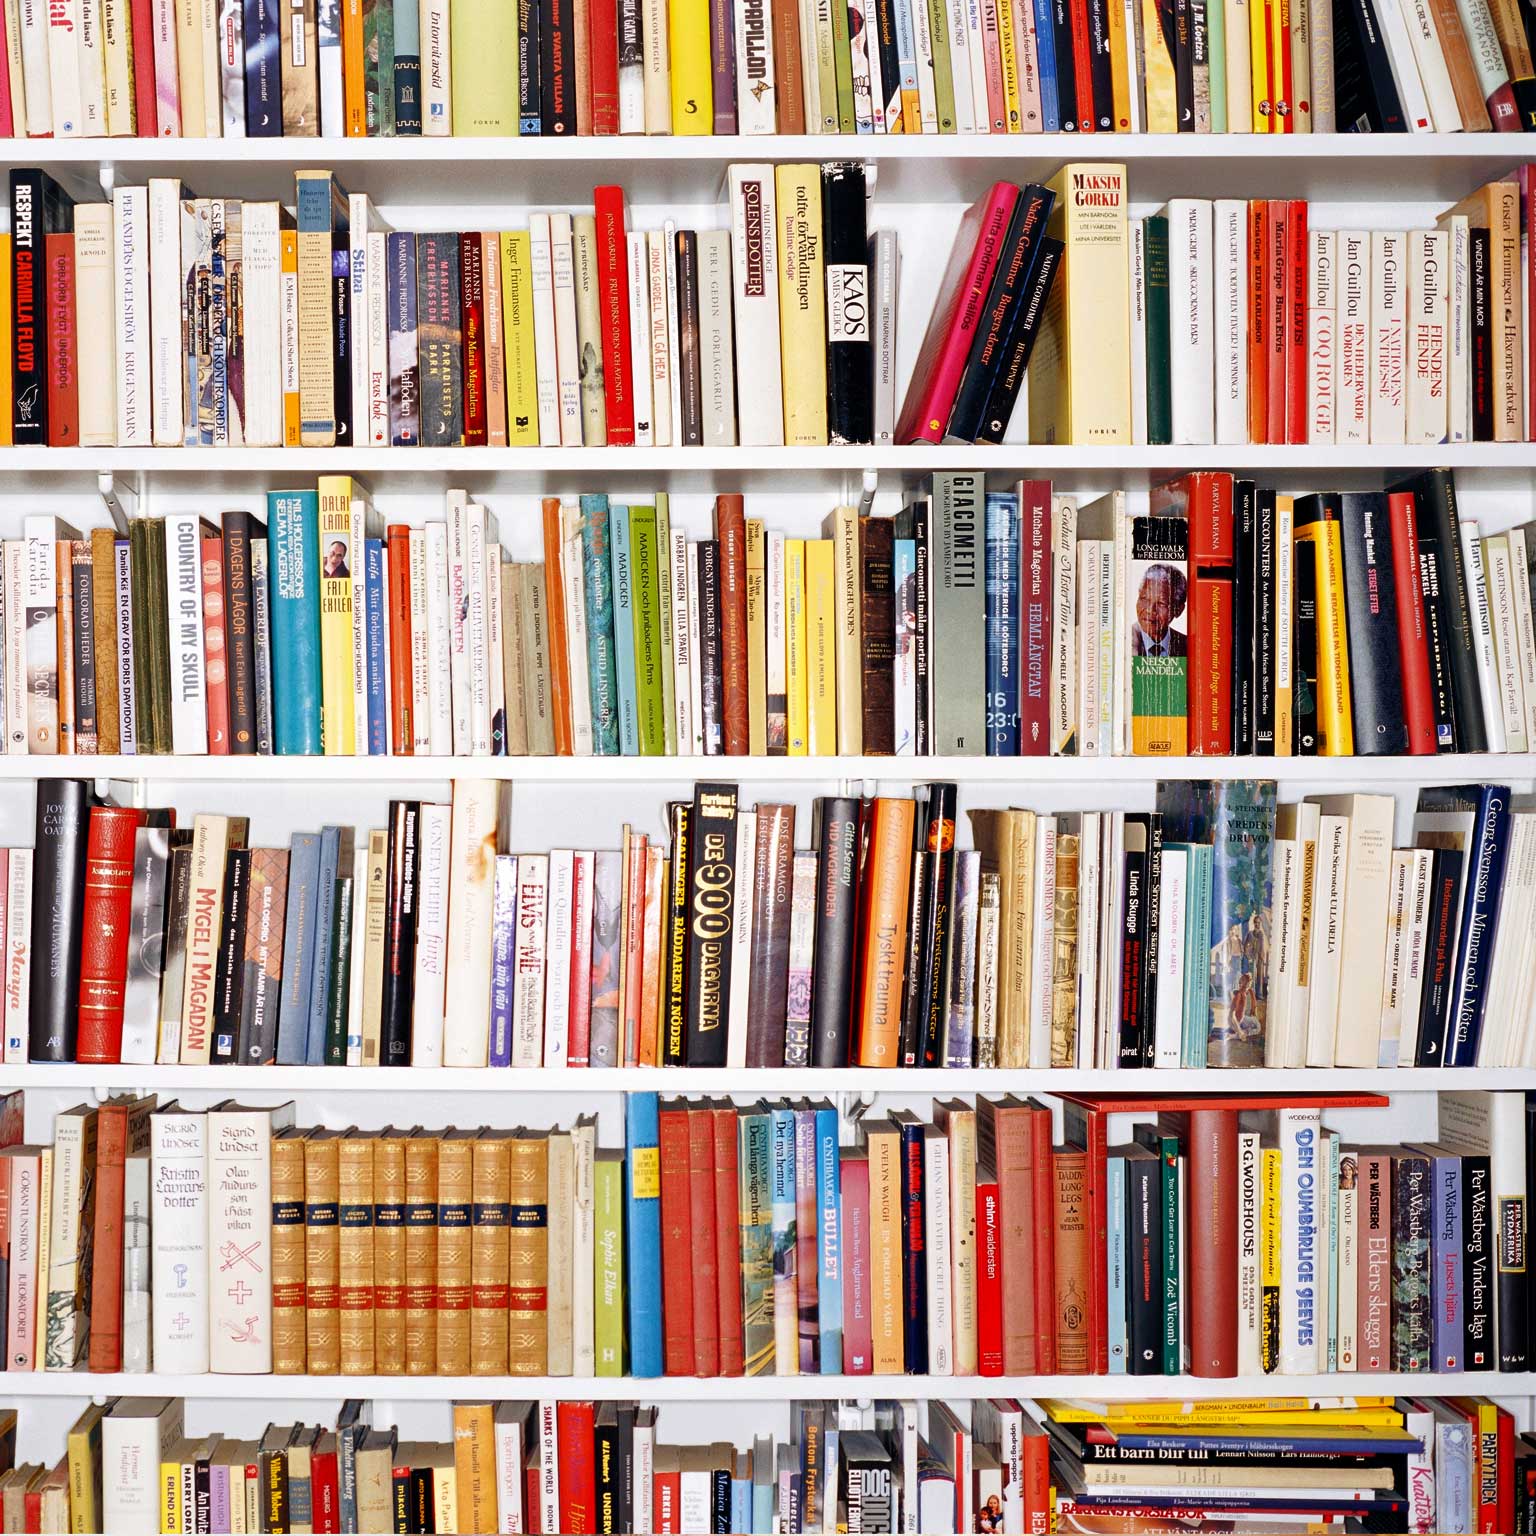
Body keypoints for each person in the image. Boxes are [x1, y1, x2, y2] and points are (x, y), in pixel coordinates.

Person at [1131, 562, 1188, 657]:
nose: (1150, 610)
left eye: (1161, 603)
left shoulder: (1187, 646)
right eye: (1144, 599)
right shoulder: (1122, 639)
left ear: (1178, 610)